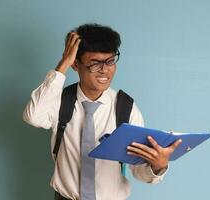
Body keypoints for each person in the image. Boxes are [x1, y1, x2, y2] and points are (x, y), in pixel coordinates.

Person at [23, 23, 182, 200]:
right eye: (95, 63)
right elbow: (34, 117)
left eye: (110, 61)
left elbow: (138, 169)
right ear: (76, 64)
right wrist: (63, 64)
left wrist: (157, 166)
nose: (104, 70)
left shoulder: (125, 108)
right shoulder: (60, 100)